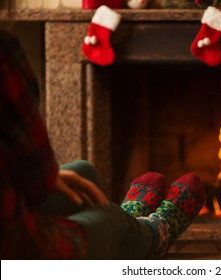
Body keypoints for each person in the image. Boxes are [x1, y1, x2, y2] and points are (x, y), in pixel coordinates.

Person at [0, 11, 205, 259]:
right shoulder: (4, 53)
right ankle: (158, 231)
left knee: (82, 171)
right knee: (110, 221)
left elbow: (36, 178)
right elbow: (37, 182)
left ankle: (130, 221)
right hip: (19, 246)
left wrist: (48, 176)